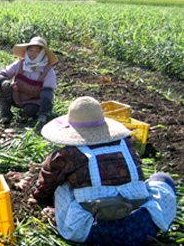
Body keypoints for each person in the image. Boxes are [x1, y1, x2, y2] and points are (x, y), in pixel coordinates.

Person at [30, 96, 176, 246]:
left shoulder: (66, 156)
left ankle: (66, 215)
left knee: (62, 185)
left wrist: (46, 201)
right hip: (141, 229)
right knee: (162, 178)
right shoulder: (128, 144)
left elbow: (43, 190)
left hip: (92, 231)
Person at [0, 36, 58, 127]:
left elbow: (47, 94)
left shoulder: (48, 71)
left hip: (34, 101)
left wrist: (44, 115)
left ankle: (37, 116)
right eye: (30, 50)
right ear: (26, 51)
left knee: (31, 110)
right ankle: (5, 116)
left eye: (37, 51)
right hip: (17, 96)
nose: (33, 54)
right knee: (4, 88)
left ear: (42, 53)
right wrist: (2, 82)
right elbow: (0, 75)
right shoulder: (19, 64)